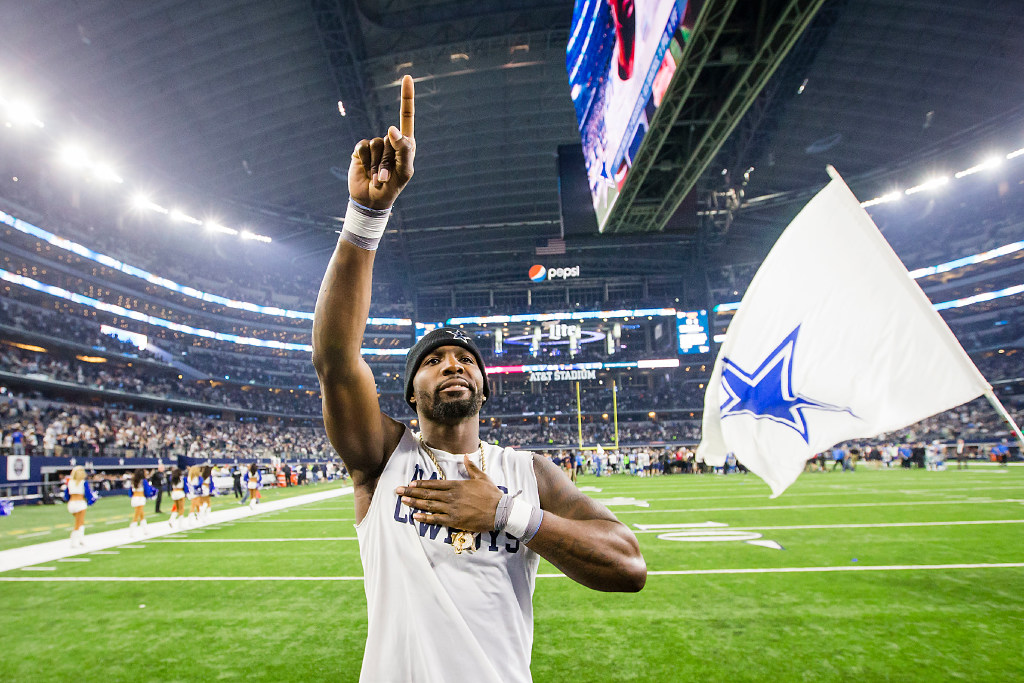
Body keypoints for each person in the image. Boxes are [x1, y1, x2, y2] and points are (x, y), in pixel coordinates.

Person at [312, 75, 645, 683]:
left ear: (485, 388)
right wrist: (366, 215)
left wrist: (506, 513)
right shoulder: (381, 458)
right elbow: (335, 359)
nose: (453, 364)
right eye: (434, 360)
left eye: (466, 360)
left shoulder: (528, 473)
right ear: (411, 390)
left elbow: (629, 565)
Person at [62, 466, 97, 547]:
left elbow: (66, 496)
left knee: (80, 522)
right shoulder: (83, 482)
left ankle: (81, 539)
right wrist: (92, 500)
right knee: (78, 523)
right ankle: (74, 541)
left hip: (71, 504)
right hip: (80, 504)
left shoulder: (69, 482)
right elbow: (88, 495)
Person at [127, 468, 156, 538]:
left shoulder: (133, 481)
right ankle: (132, 531)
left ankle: (145, 530)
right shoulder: (144, 481)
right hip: (140, 498)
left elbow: (130, 492)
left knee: (141, 515)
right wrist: (150, 495)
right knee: (136, 515)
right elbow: (147, 491)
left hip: (134, 498)